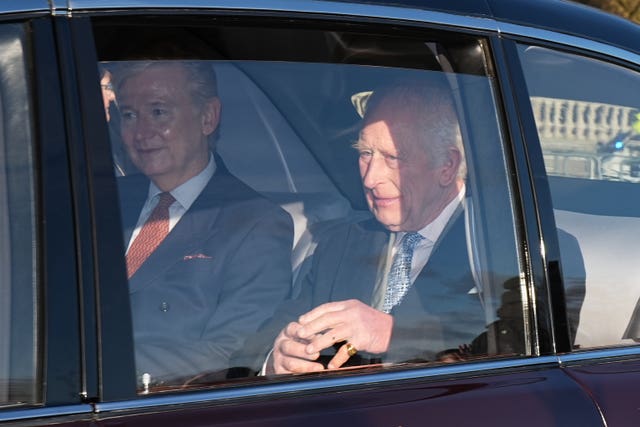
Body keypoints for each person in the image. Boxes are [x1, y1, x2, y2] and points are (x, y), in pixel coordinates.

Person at [234, 77, 487, 376]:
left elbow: (507, 335)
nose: (370, 178)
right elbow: (263, 341)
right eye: (365, 154)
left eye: (393, 157)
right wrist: (274, 360)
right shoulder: (341, 243)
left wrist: (393, 333)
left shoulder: (505, 245)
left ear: (446, 165)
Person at [115, 59, 293, 385]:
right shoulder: (100, 200)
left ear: (208, 117)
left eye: (158, 112)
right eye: (129, 115)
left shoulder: (255, 223)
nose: (141, 132)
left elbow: (229, 354)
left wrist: (97, 360)